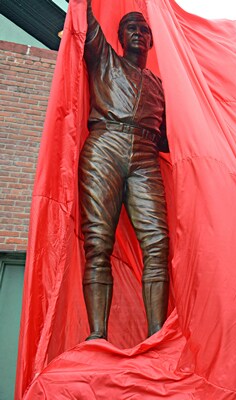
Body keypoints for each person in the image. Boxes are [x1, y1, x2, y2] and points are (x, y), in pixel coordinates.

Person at [80, 0, 170, 341]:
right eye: (131, 28)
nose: (138, 32)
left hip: (145, 153)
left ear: (151, 40)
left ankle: (157, 334)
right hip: (106, 144)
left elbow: (170, 138)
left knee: (158, 244)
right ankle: (97, 335)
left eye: (144, 29)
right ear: (119, 38)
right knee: (98, 242)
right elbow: (84, 16)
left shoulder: (159, 86)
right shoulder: (104, 58)